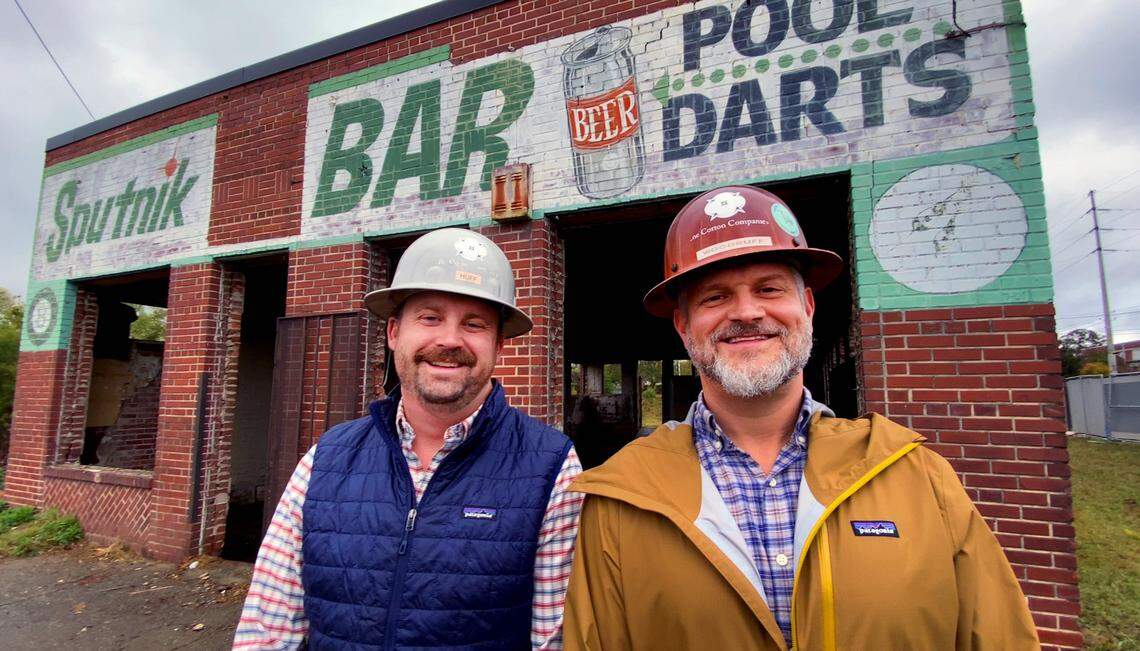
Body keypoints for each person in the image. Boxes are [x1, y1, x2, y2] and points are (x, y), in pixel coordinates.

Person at [563, 186, 1038, 650]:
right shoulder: (619, 497)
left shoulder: (919, 477)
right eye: (715, 297)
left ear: (807, 307)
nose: (747, 312)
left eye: (768, 289)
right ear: (683, 325)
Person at [235, 228, 583, 650]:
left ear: (499, 346)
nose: (450, 340)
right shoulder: (324, 460)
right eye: (430, 317)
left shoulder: (551, 467)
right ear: (394, 333)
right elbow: (267, 630)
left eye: (473, 324)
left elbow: (555, 640)